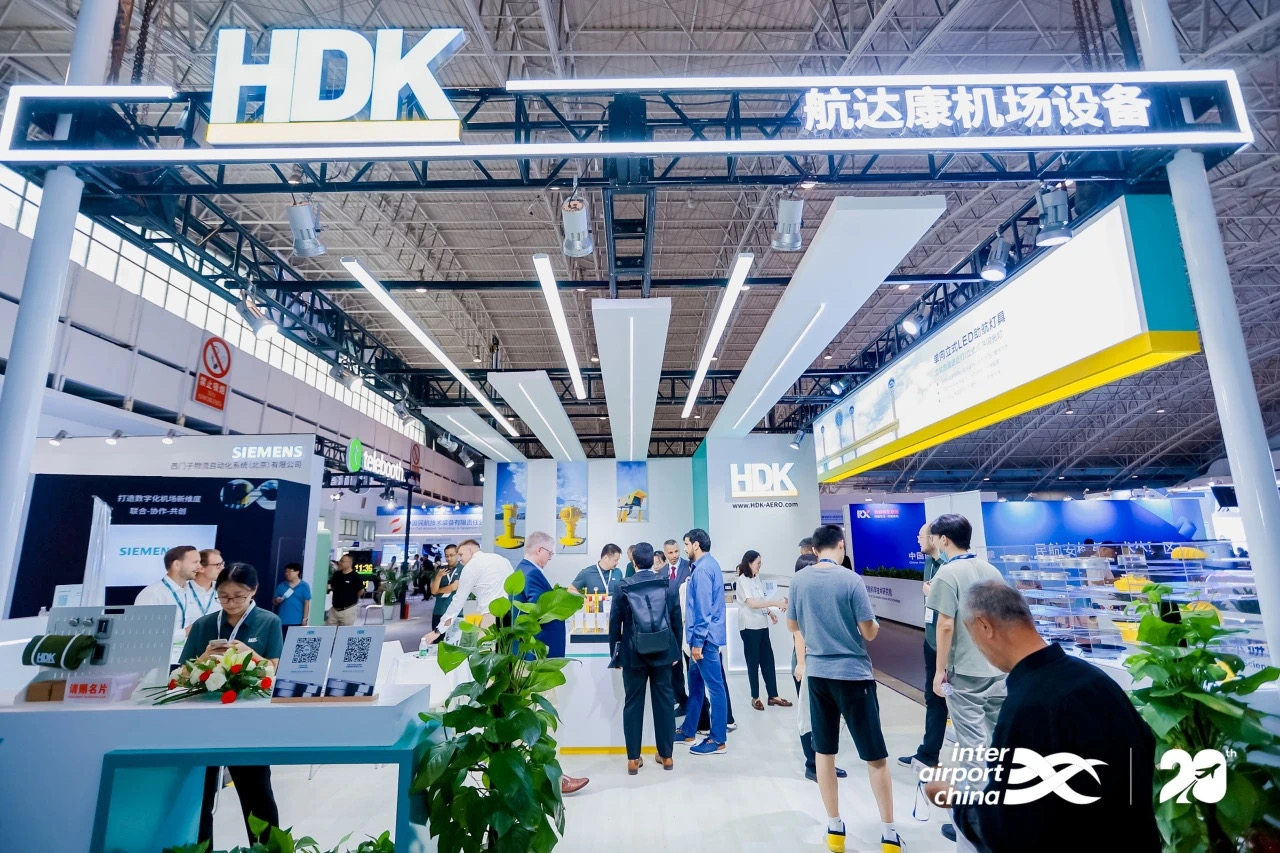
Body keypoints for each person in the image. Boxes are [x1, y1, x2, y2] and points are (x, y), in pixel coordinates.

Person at [924, 581, 1160, 852]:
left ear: (984, 627)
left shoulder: (1027, 707)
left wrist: (954, 801)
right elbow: (1143, 752)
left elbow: (1009, 828)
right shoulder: (1097, 681)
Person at [788, 524, 900, 853]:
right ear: (841, 545)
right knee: (875, 756)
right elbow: (869, 632)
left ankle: (835, 828)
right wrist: (870, 623)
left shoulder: (799, 580)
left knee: (824, 752)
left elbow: (793, 624)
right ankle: (889, 834)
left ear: (814, 549)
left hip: (818, 676)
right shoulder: (851, 580)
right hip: (854, 676)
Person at [179, 563, 284, 846]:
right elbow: (182, 674)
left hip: (248, 722)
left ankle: (266, 850)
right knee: (200, 794)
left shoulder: (268, 621)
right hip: (204, 720)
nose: (231, 603)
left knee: (257, 793)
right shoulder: (204, 625)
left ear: (254, 591)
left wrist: (250, 653)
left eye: (239, 596)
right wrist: (204, 658)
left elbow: (273, 668)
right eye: (224, 596)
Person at [515, 531, 589, 795]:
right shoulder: (531, 573)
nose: (550, 558)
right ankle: (551, 779)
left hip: (529, 658)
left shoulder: (522, 571)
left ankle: (541, 775)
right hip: (536, 660)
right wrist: (564, 603)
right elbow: (541, 612)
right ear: (539, 550)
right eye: (550, 553)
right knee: (544, 716)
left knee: (534, 717)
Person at [609, 542, 682, 775]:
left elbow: (615, 624)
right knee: (665, 703)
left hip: (633, 654)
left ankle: (633, 759)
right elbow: (676, 621)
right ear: (653, 561)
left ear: (633, 562)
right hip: (663, 652)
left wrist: (616, 655)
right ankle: (667, 756)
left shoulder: (623, 586)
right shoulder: (668, 584)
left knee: (632, 704)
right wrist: (676, 652)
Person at [675, 528, 730, 756]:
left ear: (696, 545)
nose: (685, 549)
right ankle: (689, 730)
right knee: (696, 686)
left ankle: (718, 739)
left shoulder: (704, 569)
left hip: (704, 641)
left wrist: (697, 642)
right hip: (700, 640)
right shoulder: (704, 566)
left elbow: (703, 610)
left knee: (715, 688)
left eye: (686, 544)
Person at [898, 522, 948, 772]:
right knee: (934, 697)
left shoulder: (949, 566)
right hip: (931, 639)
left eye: (920, 536)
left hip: (949, 644)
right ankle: (929, 754)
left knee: (960, 701)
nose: (917, 540)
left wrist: (932, 593)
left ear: (933, 538)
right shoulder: (929, 562)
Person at [421, 540, 515, 645]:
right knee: (505, 651)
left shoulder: (471, 566)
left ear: (470, 550)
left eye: (461, 554)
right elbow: (512, 584)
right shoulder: (502, 560)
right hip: (508, 614)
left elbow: (458, 601)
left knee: (486, 652)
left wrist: (438, 630)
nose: (460, 559)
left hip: (489, 615)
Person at [734, 550, 791, 711]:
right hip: (749, 627)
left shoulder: (756, 578)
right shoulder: (742, 580)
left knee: (768, 660)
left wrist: (770, 612)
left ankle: (773, 696)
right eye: (758, 563)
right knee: (753, 663)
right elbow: (752, 604)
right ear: (749, 563)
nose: (760, 565)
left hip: (762, 624)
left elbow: (760, 599)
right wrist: (776, 603)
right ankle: (755, 697)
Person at [135, 545, 202, 663]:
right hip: (159, 663)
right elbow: (143, 635)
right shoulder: (152, 594)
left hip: (189, 660)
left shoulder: (193, 592)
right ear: (176, 565)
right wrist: (185, 633)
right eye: (195, 562)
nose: (199, 567)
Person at [662, 539, 692, 714]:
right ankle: (682, 701)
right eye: (670, 553)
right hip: (670, 626)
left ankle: (699, 704)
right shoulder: (661, 572)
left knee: (691, 665)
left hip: (687, 623)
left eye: (676, 551)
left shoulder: (690, 567)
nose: (674, 555)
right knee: (675, 666)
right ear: (665, 553)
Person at [429, 544, 463, 634]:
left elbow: (453, 587)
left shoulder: (463, 569)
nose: (449, 558)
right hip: (439, 611)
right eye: (446, 556)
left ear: (457, 554)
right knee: (437, 639)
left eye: (451, 555)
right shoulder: (441, 570)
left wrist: (438, 590)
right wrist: (439, 577)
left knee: (453, 640)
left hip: (455, 613)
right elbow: (433, 591)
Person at [325, 554, 364, 626]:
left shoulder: (356, 576)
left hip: (348, 610)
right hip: (334, 609)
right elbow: (331, 585)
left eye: (342, 561)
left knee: (345, 632)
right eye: (339, 561)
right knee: (329, 630)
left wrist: (352, 598)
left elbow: (361, 591)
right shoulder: (337, 574)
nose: (339, 563)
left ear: (350, 563)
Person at [272, 563, 311, 627]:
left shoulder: (304, 586)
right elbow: (274, 602)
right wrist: (276, 600)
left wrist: (305, 619)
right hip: (283, 620)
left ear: (297, 572)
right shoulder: (281, 585)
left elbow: (306, 603)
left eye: (289, 571)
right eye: (286, 572)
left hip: (298, 621)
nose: (287, 574)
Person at [191, 549, 223, 619]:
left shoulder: (223, 590)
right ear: (201, 568)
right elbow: (166, 624)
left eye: (222, 564)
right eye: (218, 565)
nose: (222, 568)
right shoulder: (179, 590)